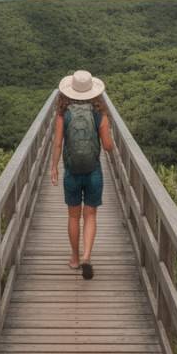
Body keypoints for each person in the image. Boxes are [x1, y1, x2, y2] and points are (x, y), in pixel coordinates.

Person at [50, 69, 114, 280]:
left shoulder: (63, 113)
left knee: (73, 216)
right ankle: (87, 255)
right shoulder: (99, 113)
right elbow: (107, 146)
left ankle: (75, 259)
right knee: (90, 215)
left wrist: (53, 167)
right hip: (93, 170)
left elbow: (58, 143)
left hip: (72, 172)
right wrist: (107, 131)